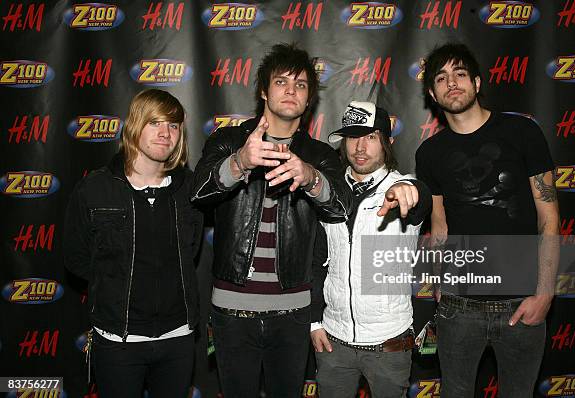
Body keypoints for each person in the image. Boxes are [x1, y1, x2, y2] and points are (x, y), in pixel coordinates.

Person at [190, 43, 352, 397]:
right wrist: (239, 163)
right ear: (264, 90)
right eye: (281, 82)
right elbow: (197, 194)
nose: (291, 90)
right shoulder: (230, 140)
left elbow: (341, 209)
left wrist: (310, 177)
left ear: (309, 99)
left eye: (301, 84)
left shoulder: (319, 154)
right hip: (232, 310)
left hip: (293, 311)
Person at [416, 43, 559, 397]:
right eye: (442, 78)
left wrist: (544, 293)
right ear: (433, 93)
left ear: (477, 83)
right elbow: (439, 225)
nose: (452, 83)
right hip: (458, 309)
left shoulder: (522, 133)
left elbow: (550, 218)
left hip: (522, 306)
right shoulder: (429, 153)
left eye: (460, 74)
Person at [63, 89, 203, 397]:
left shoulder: (189, 189)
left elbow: (190, 250)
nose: (166, 133)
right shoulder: (96, 188)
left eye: (174, 125)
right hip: (117, 341)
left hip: (178, 339)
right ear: (135, 125)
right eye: (155, 123)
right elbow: (76, 258)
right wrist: (114, 284)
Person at [311, 101, 432, 398]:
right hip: (333, 342)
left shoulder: (402, 186)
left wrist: (411, 192)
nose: (360, 147)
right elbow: (315, 262)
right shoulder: (329, 190)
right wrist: (314, 322)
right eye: (353, 137)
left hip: (388, 346)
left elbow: (420, 200)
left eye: (371, 137)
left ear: (387, 142)